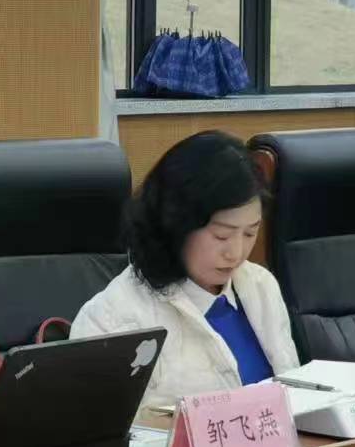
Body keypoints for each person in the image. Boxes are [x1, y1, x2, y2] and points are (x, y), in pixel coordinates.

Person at [73, 131, 299, 405]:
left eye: (250, 233)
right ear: (176, 224)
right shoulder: (110, 320)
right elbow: (99, 426)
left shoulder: (261, 286)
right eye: (221, 236)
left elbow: (293, 398)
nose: (236, 252)